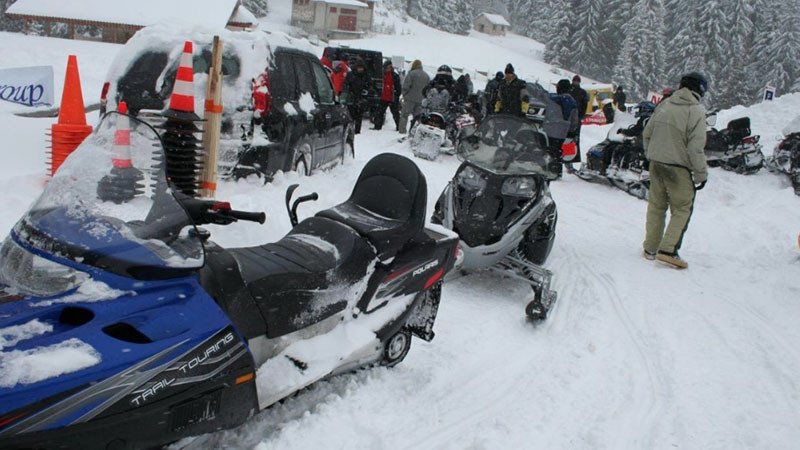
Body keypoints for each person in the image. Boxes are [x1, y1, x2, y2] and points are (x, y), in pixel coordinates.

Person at [642, 72, 709, 269]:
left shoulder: (665, 105)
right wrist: (700, 174)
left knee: (656, 206)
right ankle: (668, 250)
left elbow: (647, 133)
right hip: (679, 168)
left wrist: (651, 154)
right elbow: (695, 148)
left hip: (656, 163)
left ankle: (650, 247)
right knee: (682, 208)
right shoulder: (695, 112)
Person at [546, 79, 579, 177]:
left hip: (552, 128)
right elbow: (574, 118)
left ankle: (550, 169)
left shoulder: (554, 99)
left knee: (550, 149)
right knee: (560, 151)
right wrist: (572, 131)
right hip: (564, 130)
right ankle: (558, 170)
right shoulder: (572, 101)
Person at [341, 58, 373, 134]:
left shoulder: (366, 75)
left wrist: (367, 91)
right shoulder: (350, 75)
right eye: (359, 67)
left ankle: (357, 131)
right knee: (351, 115)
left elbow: (370, 85)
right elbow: (345, 85)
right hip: (351, 98)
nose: (360, 69)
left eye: (361, 68)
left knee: (359, 116)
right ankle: (351, 130)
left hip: (361, 98)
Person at [398, 59, 429, 134]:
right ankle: (414, 132)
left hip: (409, 98)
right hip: (420, 100)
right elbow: (427, 89)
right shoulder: (426, 76)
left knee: (404, 115)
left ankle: (402, 131)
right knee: (417, 117)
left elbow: (406, 86)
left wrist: (403, 95)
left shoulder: (411, 74)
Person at [567, 74, 589, 172]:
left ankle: (570, 160)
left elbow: (584, 107)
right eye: (574, 81)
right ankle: (567, 161)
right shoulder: (568, 90)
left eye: (577, 81)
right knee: (566, 140)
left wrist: (579, 117)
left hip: (576, 120)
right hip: (567, 119)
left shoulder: (582, 93)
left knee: (573, 140)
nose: (576, 83)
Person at [374, 60, 401, 131]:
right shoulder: (383, 74)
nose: (386, 69)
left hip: (391, 97)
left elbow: (398, 88)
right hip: (384, 97)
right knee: (379, 112)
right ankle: (377, 126)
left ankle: (399, 127)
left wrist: (396, 96)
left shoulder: (394, 76)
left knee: (395, 113)